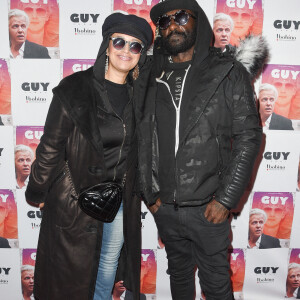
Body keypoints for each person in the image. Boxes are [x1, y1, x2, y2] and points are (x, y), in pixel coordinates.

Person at [137, 0, 264, 299]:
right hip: (164, 207)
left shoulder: (228, 71)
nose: (173, 25)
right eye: (164, 21)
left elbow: (248, 136)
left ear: (199, 22)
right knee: (179, 276)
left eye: (181, 16)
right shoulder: (146, 74)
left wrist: (225, 199)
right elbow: (138, 137)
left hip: (209, 208)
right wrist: (150, 194)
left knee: (217, 285)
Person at [25, 12, 152, 300]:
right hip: (74, 199)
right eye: (119, 42)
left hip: (118, 201)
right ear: (107, 44)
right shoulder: (75, 88)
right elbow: (50, 146)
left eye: (135, 46)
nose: (126, 51)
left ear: (141, 54)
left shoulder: (142, 97)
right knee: (69, 277)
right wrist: (38, 189)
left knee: (107, 268)